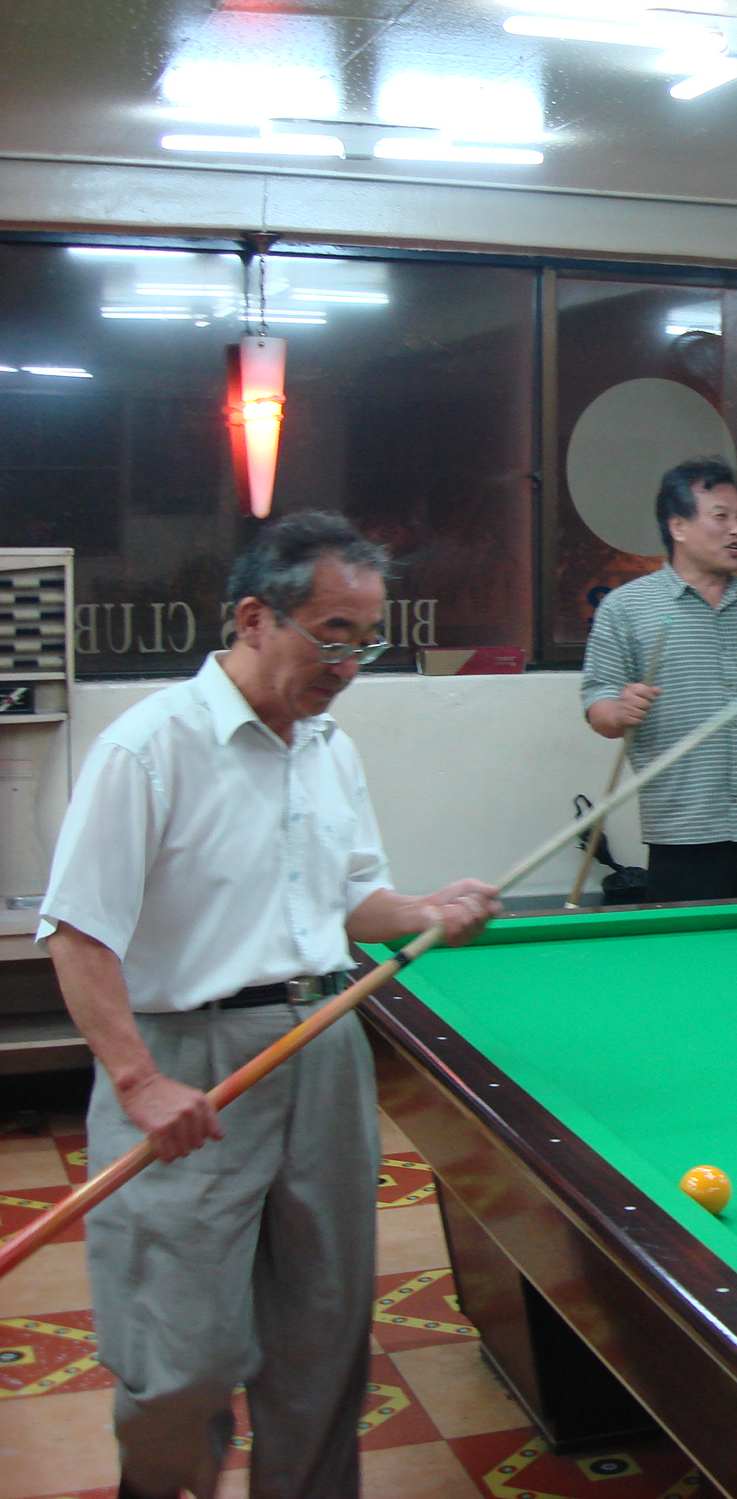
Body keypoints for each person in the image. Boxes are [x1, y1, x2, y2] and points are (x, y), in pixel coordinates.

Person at [38, 511, 500, 1499]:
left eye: (366, 640)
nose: (350, 664)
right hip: (186, 1063)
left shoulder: (328, 749)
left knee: (323, 1339)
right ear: (254, 619)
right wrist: (138, 1082)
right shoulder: (149, 747)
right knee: (181, 1354)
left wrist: (425, 910)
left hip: (323, 1046)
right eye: (332, 636)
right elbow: (77, 934)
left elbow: (349, 900)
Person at [582, 459, 737, 903]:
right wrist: (619, 710)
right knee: (688, 947)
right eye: (721, 516)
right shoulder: (626, 608)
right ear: (678, 526)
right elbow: (598, 705)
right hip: (682, 831)